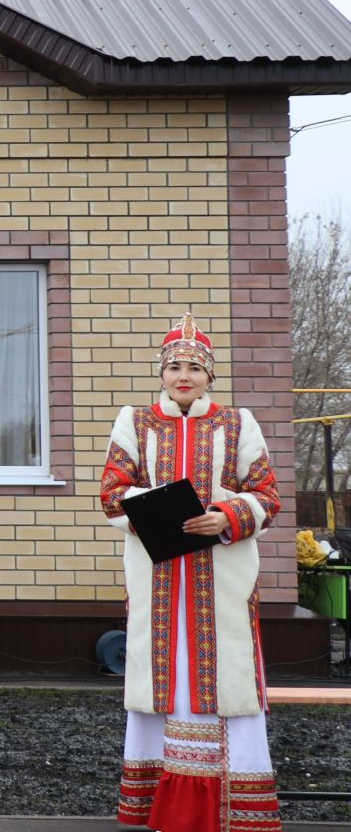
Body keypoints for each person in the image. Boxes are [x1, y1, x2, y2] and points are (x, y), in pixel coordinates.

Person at [100, 313, 284, 831]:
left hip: (221, 582)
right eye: (174, 366)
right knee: (162, 683)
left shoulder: (238, 422)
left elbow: (269, 495)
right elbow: (112, 494)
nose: (184, 376)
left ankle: (226, 812)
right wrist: (160, 513)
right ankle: (160, 810)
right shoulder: (134, 422)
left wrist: (226, 516)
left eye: (194, 368)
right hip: (158, 582)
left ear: (210, 376)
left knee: (224, 681)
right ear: (162, 372)